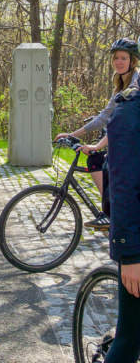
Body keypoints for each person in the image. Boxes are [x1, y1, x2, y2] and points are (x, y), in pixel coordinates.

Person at [54, 38, 140, 230]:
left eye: (123, 58)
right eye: (116, 58)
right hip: (125, 141)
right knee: (95, 160)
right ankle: (109, 212)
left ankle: (114, 214)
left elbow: (121, 124)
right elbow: (104, 117)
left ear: (132, 61)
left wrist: (98, 145)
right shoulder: (120, 83)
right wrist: (71, 134)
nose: (119, 61)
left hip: (134, 146)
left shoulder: (135, 85)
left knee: (107, 163)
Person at [103, 45, 140, 363]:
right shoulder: (131, 103)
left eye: (124, 58)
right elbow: (125, 184)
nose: (119, 62)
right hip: (137, 244)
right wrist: (129, 253)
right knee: (128, 341)